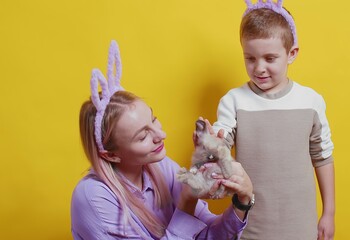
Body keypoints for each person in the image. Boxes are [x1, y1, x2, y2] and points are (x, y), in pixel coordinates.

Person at [71, 40, 254, 240]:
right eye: (142, 136)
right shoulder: (93, 198)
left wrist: (241, 200)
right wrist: (188, 199)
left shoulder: (161, 168)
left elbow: (210, 236)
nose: (161, 135)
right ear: (111, 155)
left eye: (153, 119)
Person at [212, 1, 335, 239]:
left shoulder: (310, 101)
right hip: (249, 225)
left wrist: (329, 212)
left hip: (300, 225)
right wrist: (212, 142)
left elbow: (323, 157)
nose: (259, 68)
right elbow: (221, 142)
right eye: (250, 58)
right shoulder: (234, 101)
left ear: (291, 54)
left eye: (270, 58)